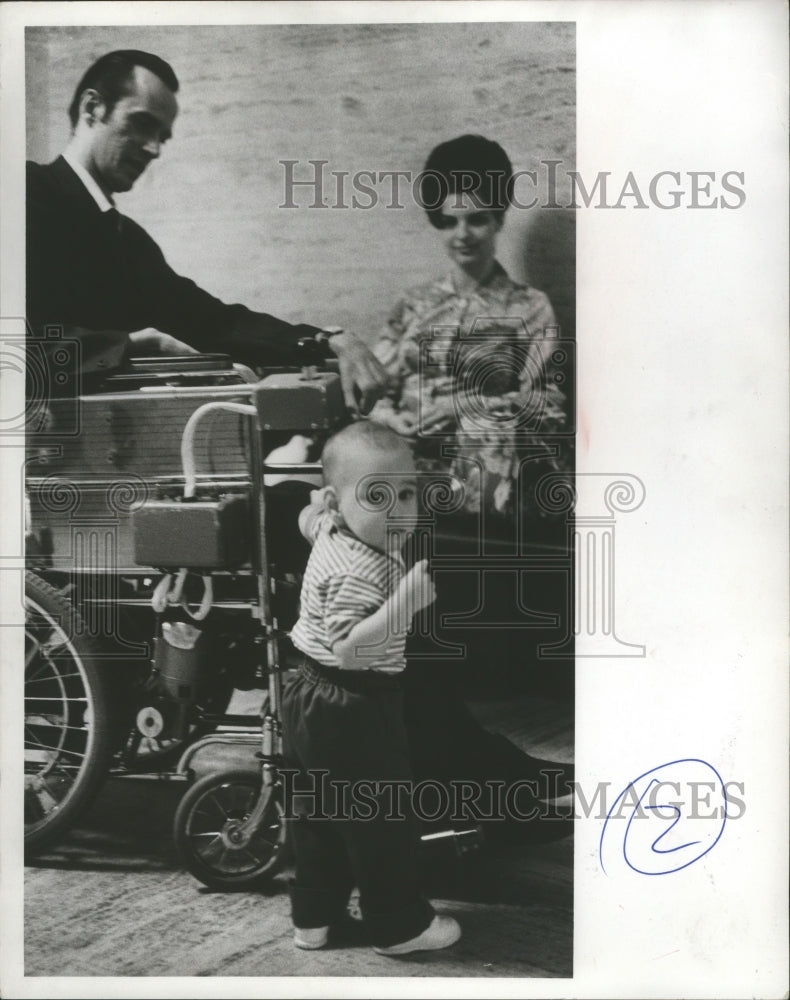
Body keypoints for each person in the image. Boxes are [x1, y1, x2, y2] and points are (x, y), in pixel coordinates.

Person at [369, 135, 574, 837]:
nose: (465, 233)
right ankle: (421, 769)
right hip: (412, 489)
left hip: (490, 494)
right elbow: (374, 402)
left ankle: (454, 775)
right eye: (452, 218)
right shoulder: (411, 309)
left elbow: (544, 414)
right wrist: (397, 417)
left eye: (479, 218)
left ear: (498, 218)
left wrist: (454, 411)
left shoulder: (529, 310)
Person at [26, 49, 386, 411]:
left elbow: (212, 322)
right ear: (93, 108)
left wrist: (326, 341)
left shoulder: (127, 239)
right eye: (142, 123)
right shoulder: (22, 192)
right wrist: (132, 345)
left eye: (163, 136)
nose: (154, 149)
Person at [281, 421, 461, 954]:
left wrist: (320, 503)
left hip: (304, 696)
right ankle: (398, 926)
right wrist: (404, 603)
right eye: (378, 497)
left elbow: (305, 516)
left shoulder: (328, 530)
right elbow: (348, 651)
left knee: (316, 816)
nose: (400, 510)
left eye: (406, 493)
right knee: (379, 818)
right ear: (341, 504)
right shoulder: (364, 572)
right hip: (351, 703)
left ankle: (314, 919)